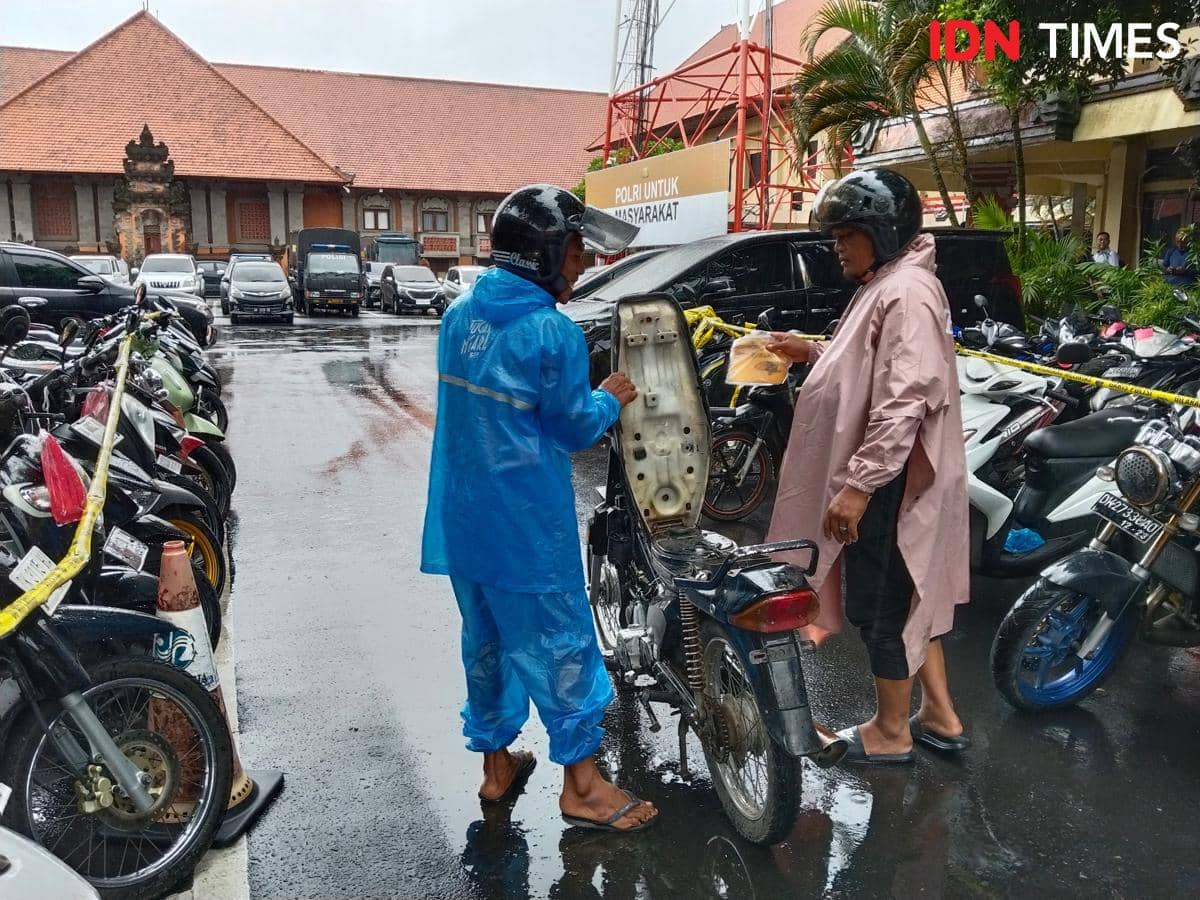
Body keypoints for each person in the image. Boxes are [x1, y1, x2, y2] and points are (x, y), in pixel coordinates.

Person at [421, 184, 659, 831]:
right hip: (526, 528)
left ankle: (498, 769)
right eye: (576, 250)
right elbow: (574, 428)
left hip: (465, 523)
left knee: (487, 642)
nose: (581, 265)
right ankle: (582, 789)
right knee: (564, 644)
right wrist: (610, 397)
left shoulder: (457, 317)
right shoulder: (551, 333)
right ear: (547, 252)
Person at [764, 168, 970, 765]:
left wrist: (858, 487)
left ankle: (890, 732)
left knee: (881, 605)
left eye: (846, 234)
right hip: (891, 475)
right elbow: (870, 363)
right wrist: (813, 351)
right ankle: (939, 714)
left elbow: (904, 399)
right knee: (910, 597)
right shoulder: (891, 283)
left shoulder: (906, 292)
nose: (836, 246)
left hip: (891, 481)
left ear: (881, 232)